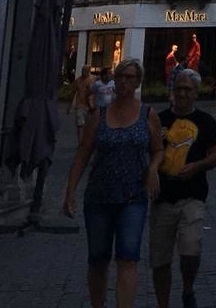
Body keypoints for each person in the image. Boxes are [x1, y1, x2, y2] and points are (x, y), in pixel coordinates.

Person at [63, 57, 163, 308]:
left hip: (133, 197)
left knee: (128, 258)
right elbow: (83, 153)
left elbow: (158, 149)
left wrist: (153, 169)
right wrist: (70, 191)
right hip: (99, 196)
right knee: (97, 259)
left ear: (138, 81)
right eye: (120, 76)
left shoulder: (148, 115)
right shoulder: (99, 115)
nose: (123, 81)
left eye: (129, 77)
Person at [151, 68, 216, 308]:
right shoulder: (159, 120)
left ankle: (188, 289)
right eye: (179, 88)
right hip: (162, 197)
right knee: (160, 258)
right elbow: (147, 152)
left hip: (192, 195)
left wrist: (197, 166)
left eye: (187, 89)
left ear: (196, 93)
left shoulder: (206, 121)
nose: (182, 93)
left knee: (190, 248)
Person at [70, 65, 94, 133]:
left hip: (90, 106)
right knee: (80, 125)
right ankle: (80, 142)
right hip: (80, 105)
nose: (83, 72)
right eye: (82, 70)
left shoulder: (93, 79)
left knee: (89, 126)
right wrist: (69, 106)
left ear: (89, 71)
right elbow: (74, 92)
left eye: (85, 71)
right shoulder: (78, 80)